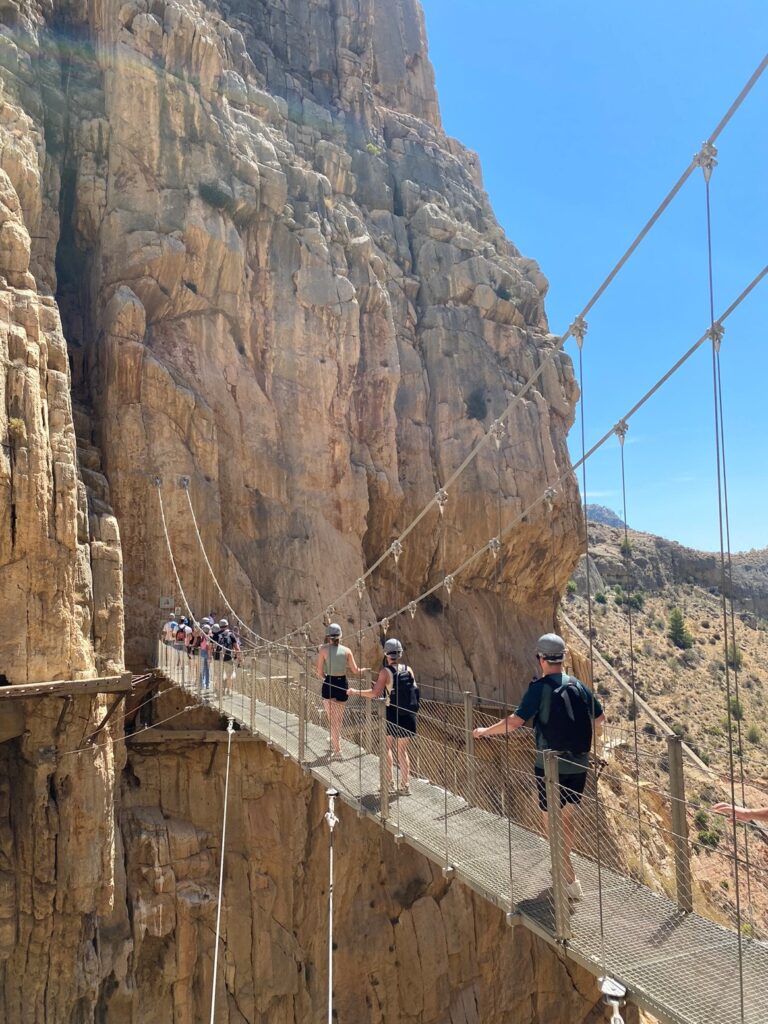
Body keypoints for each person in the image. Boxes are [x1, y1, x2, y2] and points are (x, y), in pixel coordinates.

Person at [473, 633, 605, 900]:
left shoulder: (539, 688)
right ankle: (565, 872)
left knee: (550, 822)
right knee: (568, 819)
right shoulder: (579, 686)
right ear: (563, 658)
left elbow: (514, 722)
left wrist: (485, 731)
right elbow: (600, 719)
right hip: (578, 763)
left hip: (549, 766)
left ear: (541, 659)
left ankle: (568, 877)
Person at [349, 637, 418, 794]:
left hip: (392, 713)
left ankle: (388, 784)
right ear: (399, 654)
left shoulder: (385, 672)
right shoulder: (409, 669)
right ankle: (405, 786)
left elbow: (374, 693)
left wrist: (355, 692)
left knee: (386, 747)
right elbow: (413, 690)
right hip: (409, 714)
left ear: (387, 654)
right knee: (402, 750)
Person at [315, 623, 364, 758]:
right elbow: (356, 670)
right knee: (339, 719)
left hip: (329, 684)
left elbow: (319, 672)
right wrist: (366, 671)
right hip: (342, 684)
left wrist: (327, 678)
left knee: (332, 719)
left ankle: (338, 750)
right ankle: (335, 741)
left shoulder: (323, 650)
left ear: (328, 637)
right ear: (340, 636)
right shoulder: (347, 651)